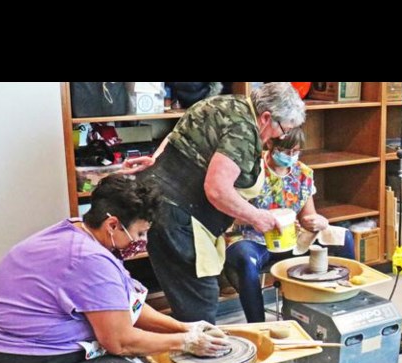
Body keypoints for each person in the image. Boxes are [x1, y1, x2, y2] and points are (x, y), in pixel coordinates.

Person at [0, 176, 230, 363]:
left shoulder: (75, 231)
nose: (141, 242)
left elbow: (127, 305)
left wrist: (184, 327)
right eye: (139, 234)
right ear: (113, 224)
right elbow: (120, 341)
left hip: (19, 354)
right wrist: (184, 342)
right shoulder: (88, 260)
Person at [122, 82, 307, 323]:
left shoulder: (222, 103)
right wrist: (256, 216)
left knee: (193, 296)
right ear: (266, 117)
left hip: (157, 203)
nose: (281, 136)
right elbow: (217, 190)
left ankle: (192, 348)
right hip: (177, 216)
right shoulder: (243, 130)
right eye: (283, 128)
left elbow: (175, 136)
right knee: (200, 299)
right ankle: (197, 354)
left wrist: (156, 161)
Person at [224, 127, 355, 323]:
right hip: (252, 238)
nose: (291, 157)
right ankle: (258, 324)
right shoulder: (250, 169)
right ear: (270, 144)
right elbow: (230, 213)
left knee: (343, 237)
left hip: (291, 237)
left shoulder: (302, 173)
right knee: (245, 259)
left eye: (296, 151)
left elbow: (307, 216)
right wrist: (257, 217)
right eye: (286, 151)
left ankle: (345, 307)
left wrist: (318, 221)